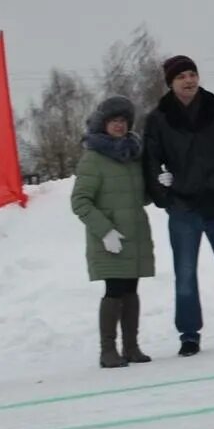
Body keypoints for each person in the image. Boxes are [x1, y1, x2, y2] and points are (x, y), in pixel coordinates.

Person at [141, 54, 214, 355]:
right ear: (171, 83)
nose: (189, 80)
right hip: (183, 208)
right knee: (185, 274)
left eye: (192, 74)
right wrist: (164, 197)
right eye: (182, 76)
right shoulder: (159, 118)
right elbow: (150, 161)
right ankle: (189, 335)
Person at [70, 96, 157, 369]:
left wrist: (158, 186)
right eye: (114, 121)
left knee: (131, 289)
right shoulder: (94, 158)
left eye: (123, 121)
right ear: (103, 124)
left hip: (134, 235)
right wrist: (105, 231)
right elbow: (80, 201)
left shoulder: (132, 155)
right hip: (109, 239)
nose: (119, 126)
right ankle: (107, 350)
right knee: (114, 291)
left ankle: (131, 347)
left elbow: (137, 197)